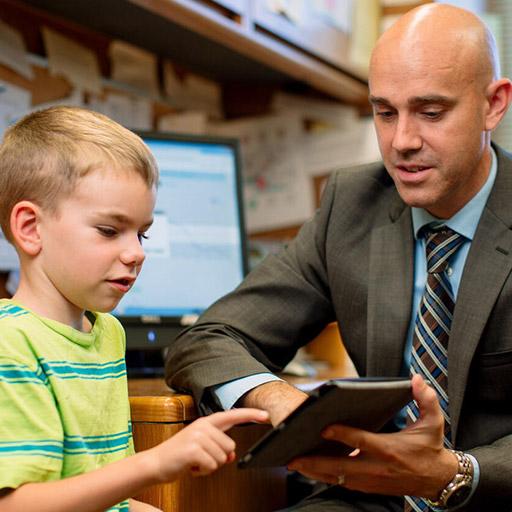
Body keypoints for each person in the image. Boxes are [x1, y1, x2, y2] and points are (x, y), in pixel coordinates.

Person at [166, 4, 512, 511]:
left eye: (431, 112)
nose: (402, 142)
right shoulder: (353, 205)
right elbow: (206, 340)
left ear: (493, 105)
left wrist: (454, 472)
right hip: (376, 499)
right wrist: (279, 399)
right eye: (385, 112)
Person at [0, 106, 268, 512]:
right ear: (30, 228)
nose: (136, 253)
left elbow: (108, 497)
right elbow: (18, 505)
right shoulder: (11, 344)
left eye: (142, 234)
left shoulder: (107, 333)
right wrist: (154, 463)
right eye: (110, 231)